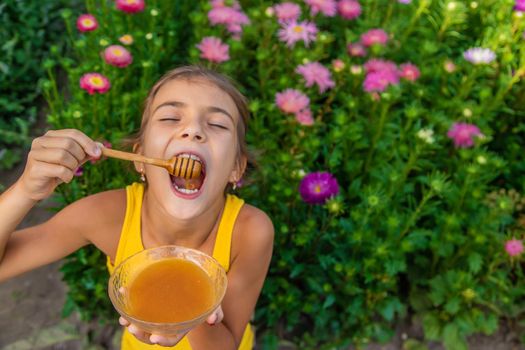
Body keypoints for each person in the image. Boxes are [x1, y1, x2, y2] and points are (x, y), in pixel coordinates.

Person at [0, 65, 274, 349]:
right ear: (140, 158)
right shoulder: (108, 216)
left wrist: (193, 315)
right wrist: (25, 191)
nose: (193, 130)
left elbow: (226, 344)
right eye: (170, 117)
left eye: (217, 124)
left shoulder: (250, 231)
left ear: (235, 168)